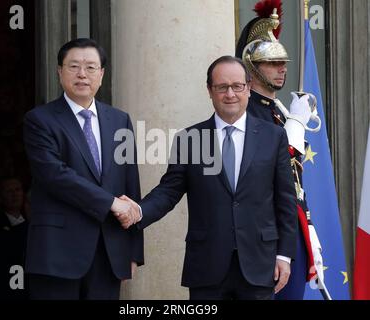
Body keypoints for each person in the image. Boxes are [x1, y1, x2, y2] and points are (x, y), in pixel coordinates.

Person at [116, 56, 297, 300]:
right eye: (222, 87)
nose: (230, 94)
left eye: (237, 86)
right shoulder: (190, 139)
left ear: (249, 87)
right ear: (210, 91)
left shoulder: (273, 136)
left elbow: (285, 201)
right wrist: (138, 210)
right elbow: (169, 191)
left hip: (260, 264)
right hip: (207, 265)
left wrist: (284, 255)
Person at [23, 38, 143, 300]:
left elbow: (130, 184)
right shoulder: (40, 120)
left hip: (109, 253)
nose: (82, 74)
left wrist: (133, 250)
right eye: (73, 66)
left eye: (90, 67)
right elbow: (55, 175)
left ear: (101, 74)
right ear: (59, 71)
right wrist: (111, 202)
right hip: (56, 254)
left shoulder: (119, 119)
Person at [235, 0, 324, 299]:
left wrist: (308, 233)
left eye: (282, 61)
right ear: (251, 66)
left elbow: (295, 184)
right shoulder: (247, 115)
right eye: (272, 62)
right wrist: (296, 124)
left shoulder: (279, 111)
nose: (282, 68)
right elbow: (276, 165)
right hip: (265, 234)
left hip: (292, 225)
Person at [0, 177, 29, 300]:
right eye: (9, 191)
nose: (14, 194)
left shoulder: (32, 227)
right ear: (1, 197)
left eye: (17, 190)